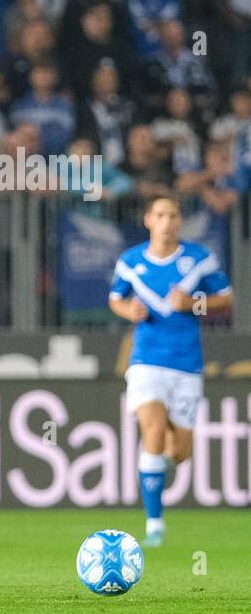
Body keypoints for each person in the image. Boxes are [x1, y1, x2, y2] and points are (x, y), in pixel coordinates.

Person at [108, 195, 233, 547]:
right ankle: (154, 525)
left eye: (173, 215)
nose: (167, 221)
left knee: (179, 451)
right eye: (160, 214)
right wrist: (127, 310)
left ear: (180, 221)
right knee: (153, 427)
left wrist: (195, 303)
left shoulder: (199, 259)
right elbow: (115, 298)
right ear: (149, 219)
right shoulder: (131, 262)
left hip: (187, 365)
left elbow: (226, 297)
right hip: (146, 361)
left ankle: (156, 469)